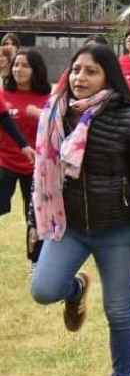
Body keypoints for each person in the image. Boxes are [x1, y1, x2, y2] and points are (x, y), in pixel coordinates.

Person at [30, 44, 130, 376]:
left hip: (118, 229)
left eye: (90, 71)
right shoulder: (55, 114)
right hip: (69, 226)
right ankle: (75, 290)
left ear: (108, 76)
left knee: (118, 311)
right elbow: (41, 174)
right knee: (43, 290)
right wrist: (32, 223)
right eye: (76, 70)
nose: (80, 78)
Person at [1, 49, 49, 271]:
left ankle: (36, 262)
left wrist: (42, 115)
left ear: (36, 70)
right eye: (16, 65)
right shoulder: (4, 95)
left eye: (25, 65)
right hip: (4, 162)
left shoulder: (48, 100)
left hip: (36, 167)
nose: (19, 69)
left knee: (35, 214)